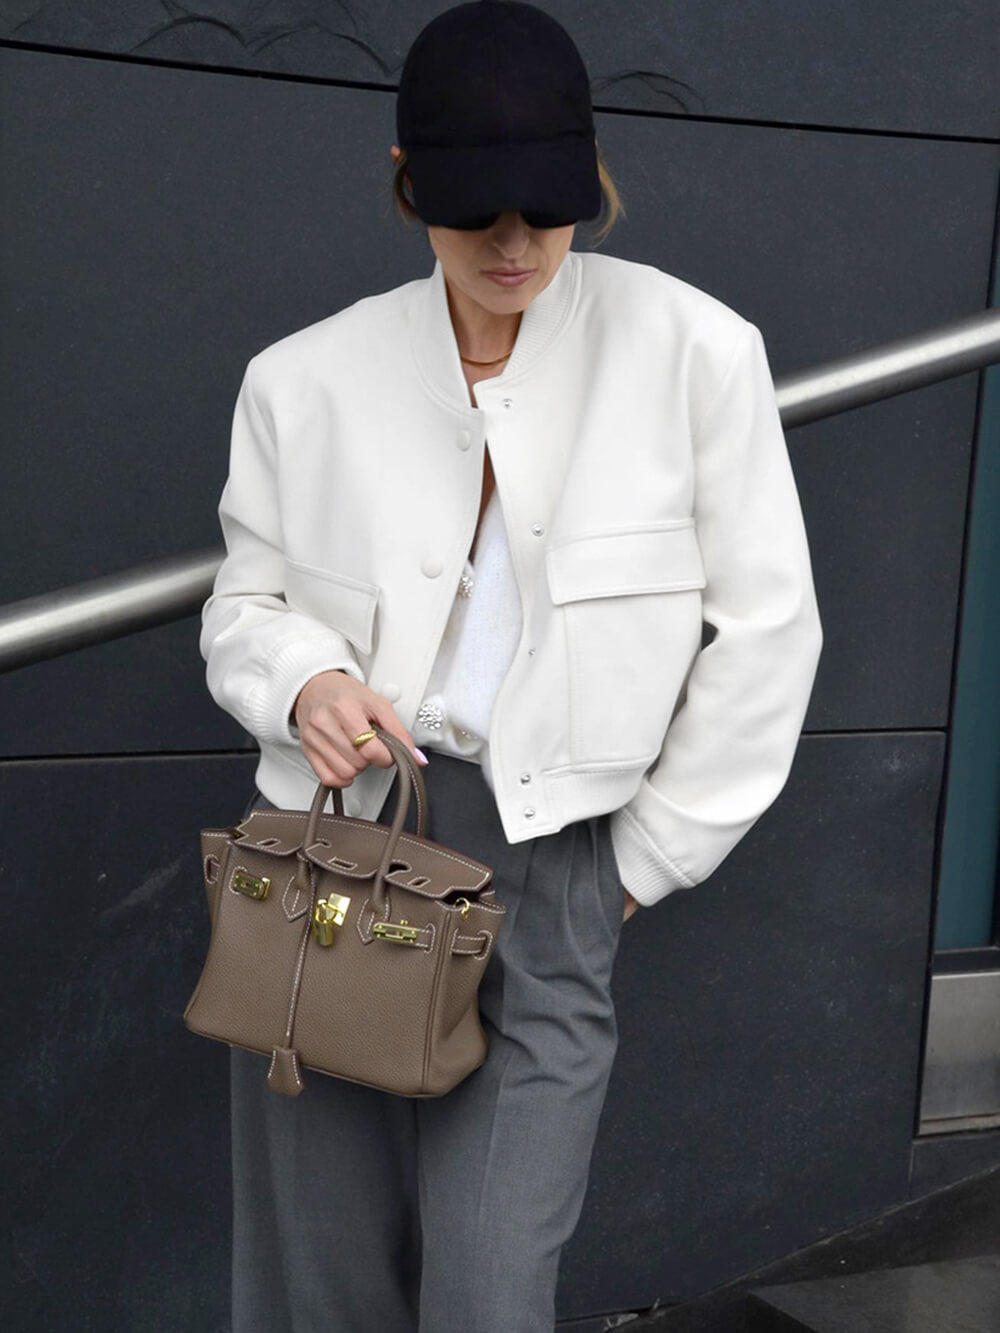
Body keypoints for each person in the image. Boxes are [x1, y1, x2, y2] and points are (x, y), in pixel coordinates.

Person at [198, 3, 823, 1328]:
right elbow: (243, 604)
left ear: (589, 178)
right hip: (332, 852)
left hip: (556, 868)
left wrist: (636, 868)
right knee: (319, 1286)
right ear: (405, 181)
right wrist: (304, 680)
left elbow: (771, 630)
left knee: (491, 1289)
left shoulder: (695, 355)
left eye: (547, 207)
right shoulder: (302, 382)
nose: (514, 243)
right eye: (475, 210)